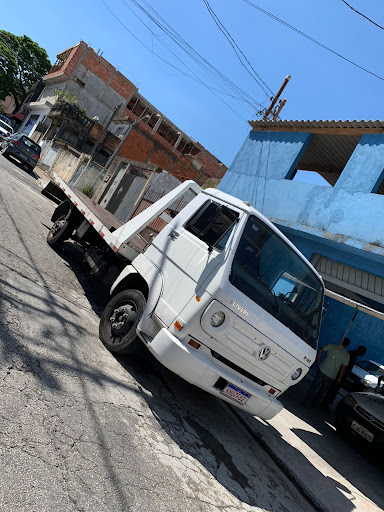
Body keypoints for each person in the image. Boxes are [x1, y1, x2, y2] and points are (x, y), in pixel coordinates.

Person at [303, 338, 351, 407]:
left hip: (322, 369)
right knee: (322, 391)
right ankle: (314, 404)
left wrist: (319, 362)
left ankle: (306, 402)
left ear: (341, 341)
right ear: (347, 345)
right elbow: (343, 368)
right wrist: (339, 378)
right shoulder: (346, 355)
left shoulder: (331, 346)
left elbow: (320, 350)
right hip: (331, 375)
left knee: (314, 387)